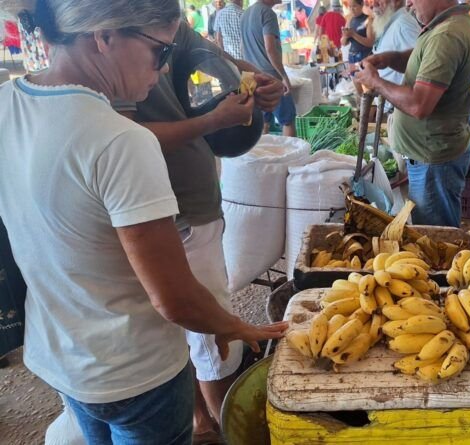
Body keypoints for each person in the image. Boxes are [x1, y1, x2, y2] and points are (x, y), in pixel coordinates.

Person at [0, 1, 288, 444]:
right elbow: (175, 299)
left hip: (62, 357)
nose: (165, 69)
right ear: (104, 36)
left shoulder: (7, 102)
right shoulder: (120, 140)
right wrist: (238, 325)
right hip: (136, 373)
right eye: (161, 52)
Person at [113, 19, 286, 444]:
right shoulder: (114, 39)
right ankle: (225, 425)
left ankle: (203, 423)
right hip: (169, 210)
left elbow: (216, 57)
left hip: (192, 200)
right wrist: (212, 122)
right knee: (208, 332)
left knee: (186, 329)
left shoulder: (166, 21)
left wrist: (259, 80)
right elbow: (121, 137)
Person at [356, 0, 470, 227]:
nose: (409, 3)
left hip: (433, 159)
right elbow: (421, 59)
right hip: (433, 156)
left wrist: (376, 82)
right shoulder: (449, 24)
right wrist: (387, 59)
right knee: (435, 230)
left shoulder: (447, 35)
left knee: (436, 237)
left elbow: (419, 105)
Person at [243, 0, 298, 137]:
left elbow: (242, 48)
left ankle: (263, 158)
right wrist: (284, 76)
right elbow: (270, 49)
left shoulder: (245, 14)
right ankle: (291, 158)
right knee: (288, 120)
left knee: (260, 124)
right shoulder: (268, 13)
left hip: (249, 76)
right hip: (269, 76)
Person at [371, 0, 420, 86]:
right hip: (388, 96)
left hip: (399, 97)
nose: (374, 4)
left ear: (396, 1)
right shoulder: (390, 22)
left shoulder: (404, 24)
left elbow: (419, 66)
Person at [342, 0, 374, 67]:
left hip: (364, 55)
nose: (351, 9)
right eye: (350, 7)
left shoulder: (368, 20)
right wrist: (345, 36)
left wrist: (353, 34)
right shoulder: (349, 20)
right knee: (354, 77)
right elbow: (344, 43)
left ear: (362, 4)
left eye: (354, 6)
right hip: (351, 55)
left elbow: (371, 43)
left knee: (365, 77)